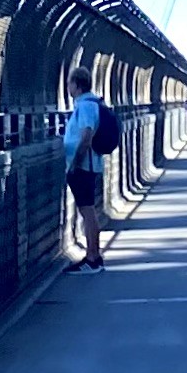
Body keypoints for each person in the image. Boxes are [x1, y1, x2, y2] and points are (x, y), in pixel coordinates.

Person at [61, 84, 120, 266]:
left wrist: (76, 162)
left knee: (87, 211)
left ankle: (92, 257)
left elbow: (87, 135)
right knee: (88, 210)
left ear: (77, 85)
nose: (68, 87)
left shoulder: (86, 105)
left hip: (85, 165)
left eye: (70, 83)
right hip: (89, 164)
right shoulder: (91, 103)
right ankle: (94, 255)